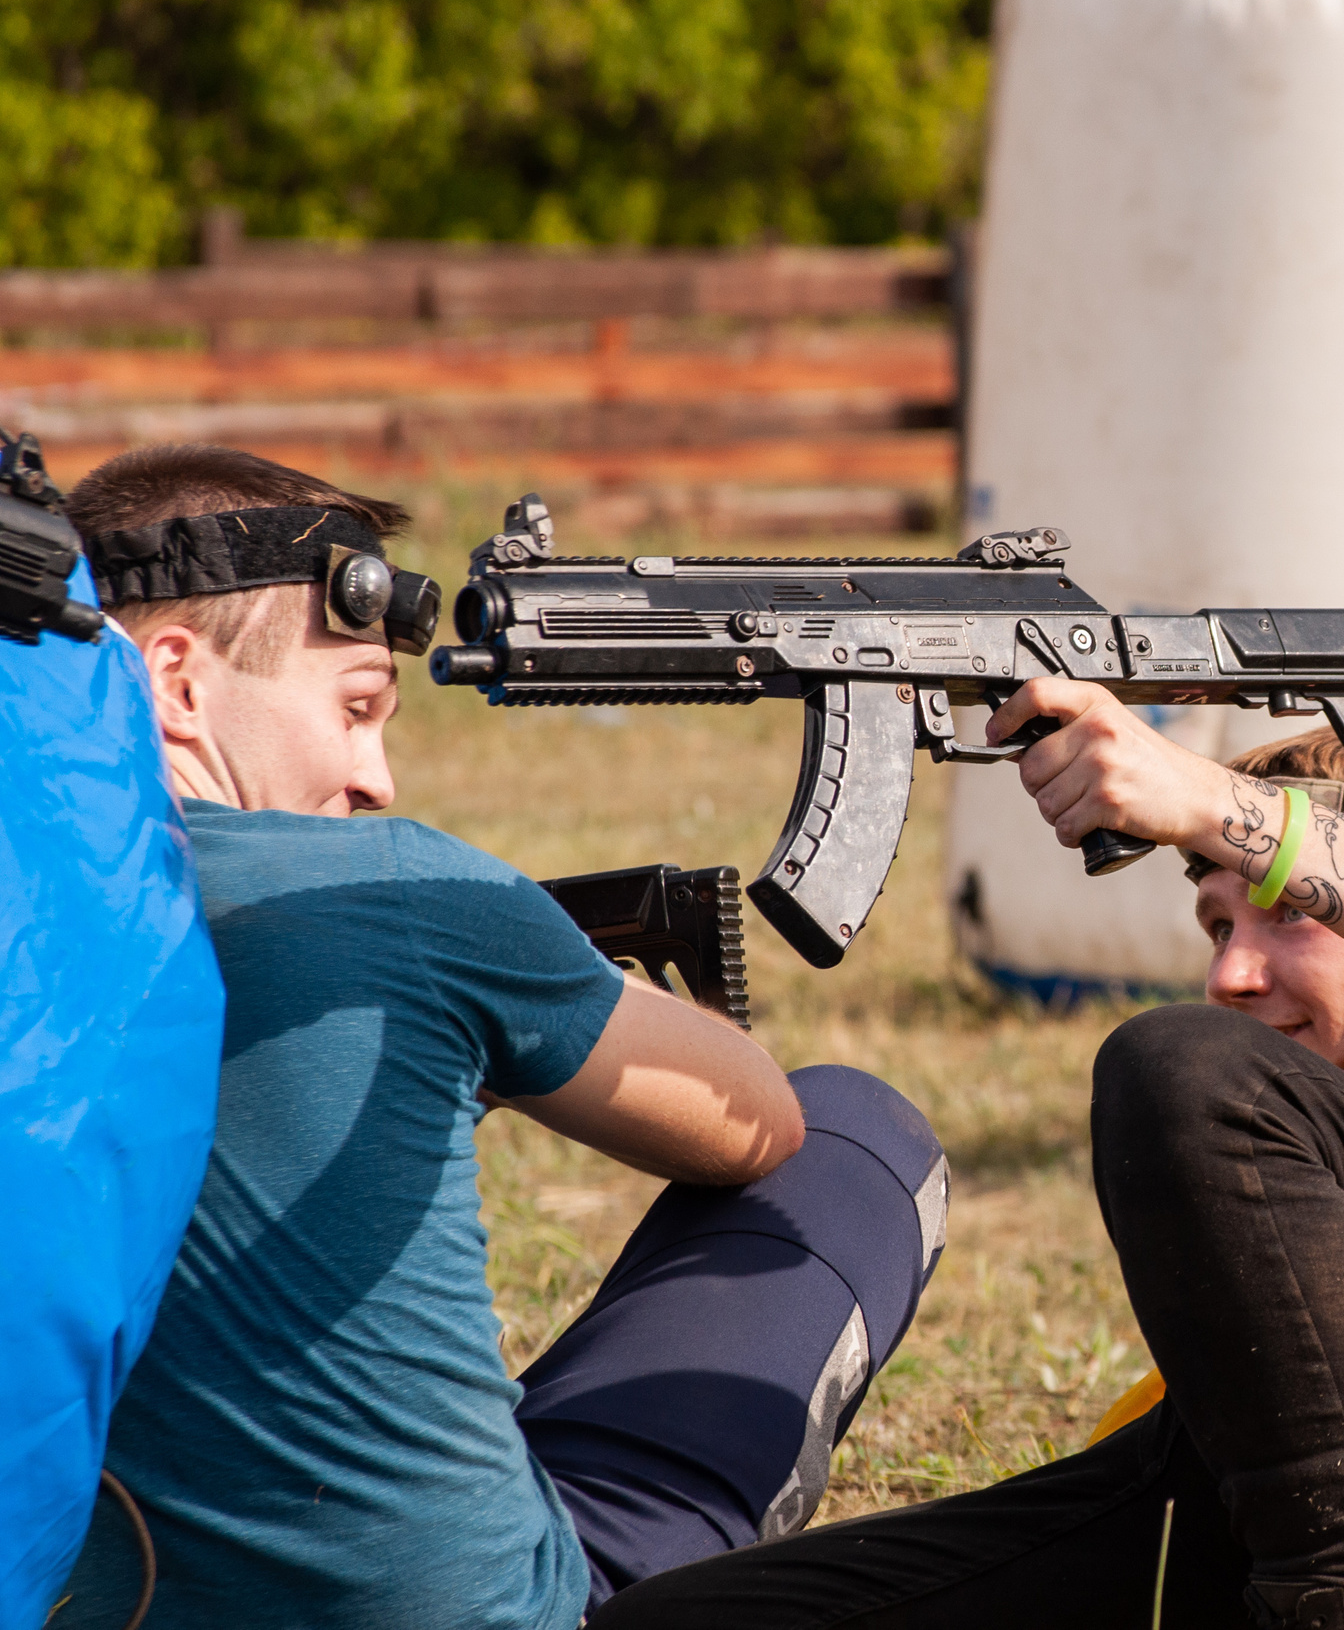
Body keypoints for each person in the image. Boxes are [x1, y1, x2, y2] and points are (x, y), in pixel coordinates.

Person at [593, 682, 1344, 1630]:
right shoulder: (1284, 1202)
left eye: (1290, 915)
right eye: (1219, 924)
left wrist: (1210, 804)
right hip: (1302, 1530)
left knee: (1185, 1069)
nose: (1232, 971)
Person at [51, 445, 950, 1630]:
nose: (375, 779)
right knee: (853, 1130)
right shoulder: (401, 884)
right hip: (471, 1611)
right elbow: (755, 1127)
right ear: (176, 681)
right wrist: (512, 1005)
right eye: (357, 708)